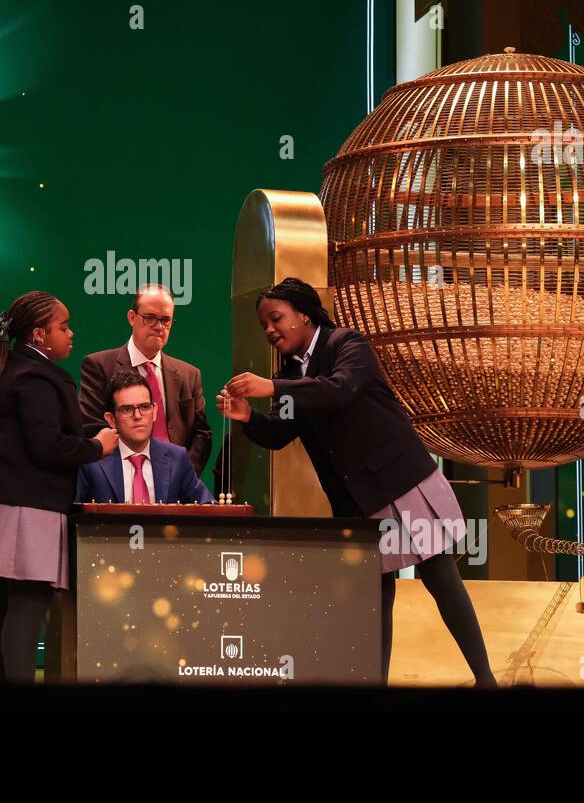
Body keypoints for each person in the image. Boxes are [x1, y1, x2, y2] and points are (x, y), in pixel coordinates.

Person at [216, 277, 497, 688]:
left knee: (439, 577)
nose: (270, 331)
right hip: (354, 496)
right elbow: (279, 433)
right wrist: (248, 418)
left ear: (305, 314)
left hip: (400, 482)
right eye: (264, 326)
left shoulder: (346, 344)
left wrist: (272, 386)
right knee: (374, 596)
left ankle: (485, 680)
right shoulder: (291, 371)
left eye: (276, 319)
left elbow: (341, 390)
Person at [0, 291, 118, 683]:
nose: (71, 333)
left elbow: (39, 432)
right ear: (39, 335)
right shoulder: (38, 378)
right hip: (27, 507)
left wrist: (86, 435)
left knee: (4, 605)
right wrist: (98, 446)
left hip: (1, 500)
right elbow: (47, 445)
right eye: (63, 327)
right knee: (29, 605)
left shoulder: (14, 369)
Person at [79, 284, 212, 475]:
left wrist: (182, 476)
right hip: (121, 480)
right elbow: (92, 427)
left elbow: (202, 434)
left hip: (175, 486)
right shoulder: (99, 366)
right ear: (132, 318)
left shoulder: (189, 375)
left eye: (166, 320)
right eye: (150, 318)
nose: (159, 327)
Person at [76, 369, 213, 505]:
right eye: (127, 409)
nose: (137, 416)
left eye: (144, 407)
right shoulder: (91, 462)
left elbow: (207, 507)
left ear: (154, 412)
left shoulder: (177, 458)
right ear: (111, 419)